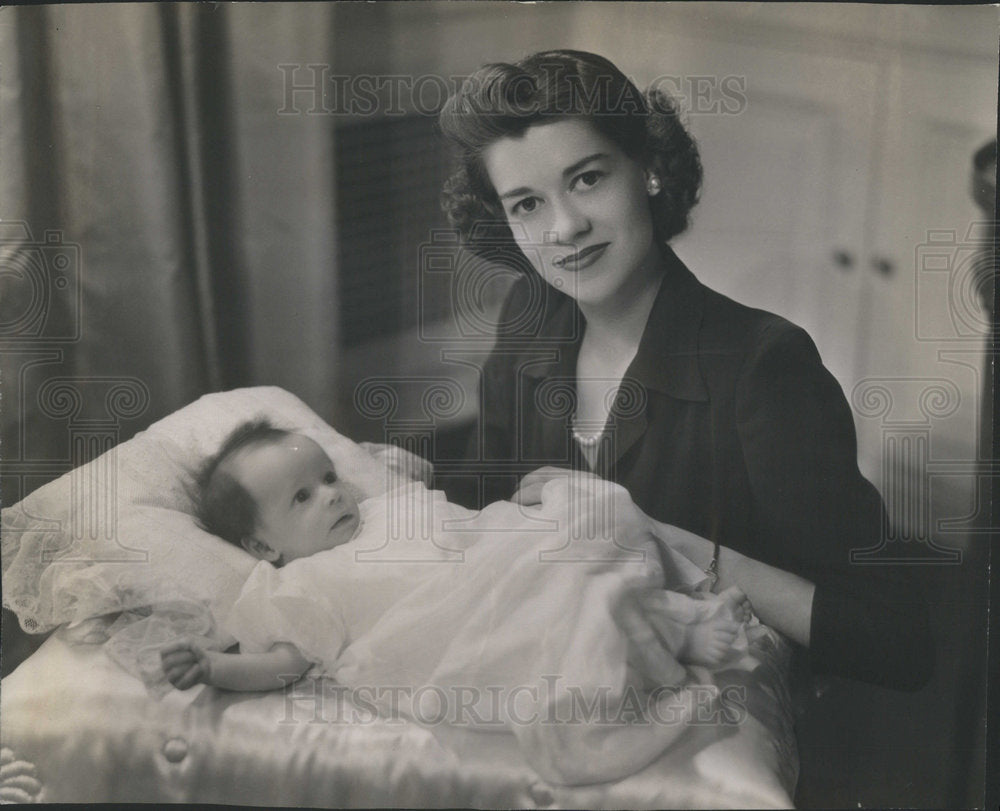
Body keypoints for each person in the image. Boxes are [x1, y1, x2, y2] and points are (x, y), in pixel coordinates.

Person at [435, 49, 933, 691]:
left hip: (702, 706)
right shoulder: (530, 311)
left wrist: (663, 540)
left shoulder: (763, 365)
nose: (565, 228)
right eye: (526, 204)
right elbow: (487, 496)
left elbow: (893, 636)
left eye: (587, 179)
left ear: (646, 170)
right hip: (551, 676)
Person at [161, 419, 761, 785]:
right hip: (454, 621)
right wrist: (218, 668)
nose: (330, 496)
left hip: (494, 565)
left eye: (328, 478)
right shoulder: (300, 586)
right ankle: (659, 632)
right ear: (262, 544)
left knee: (588, 518)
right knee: (547, 629)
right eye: (301, 498)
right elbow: (285, 663)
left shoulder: (380, 511)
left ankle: (658, 619)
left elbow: (467, 525)